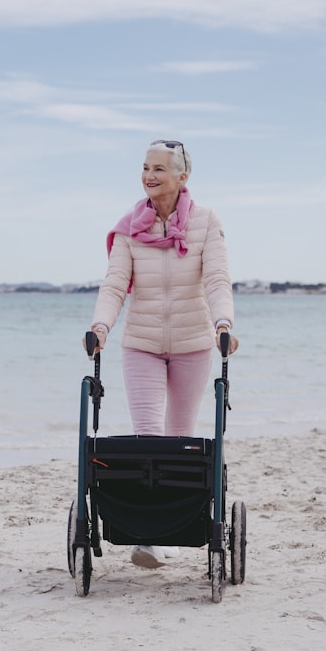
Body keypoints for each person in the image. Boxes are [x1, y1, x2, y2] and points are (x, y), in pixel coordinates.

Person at [85, 139, 239, 569]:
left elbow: (217, 279)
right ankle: (150, 538)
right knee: (149, 438)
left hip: (193, 343)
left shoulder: (207, 223)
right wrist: (100, 327)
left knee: (180, 440)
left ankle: (175, 526)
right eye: (145, 167)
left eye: (159, 169)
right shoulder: (130, 227)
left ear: (182, 177)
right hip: (142, 343)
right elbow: (115, 284)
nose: (149, 175)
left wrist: (223, 324)